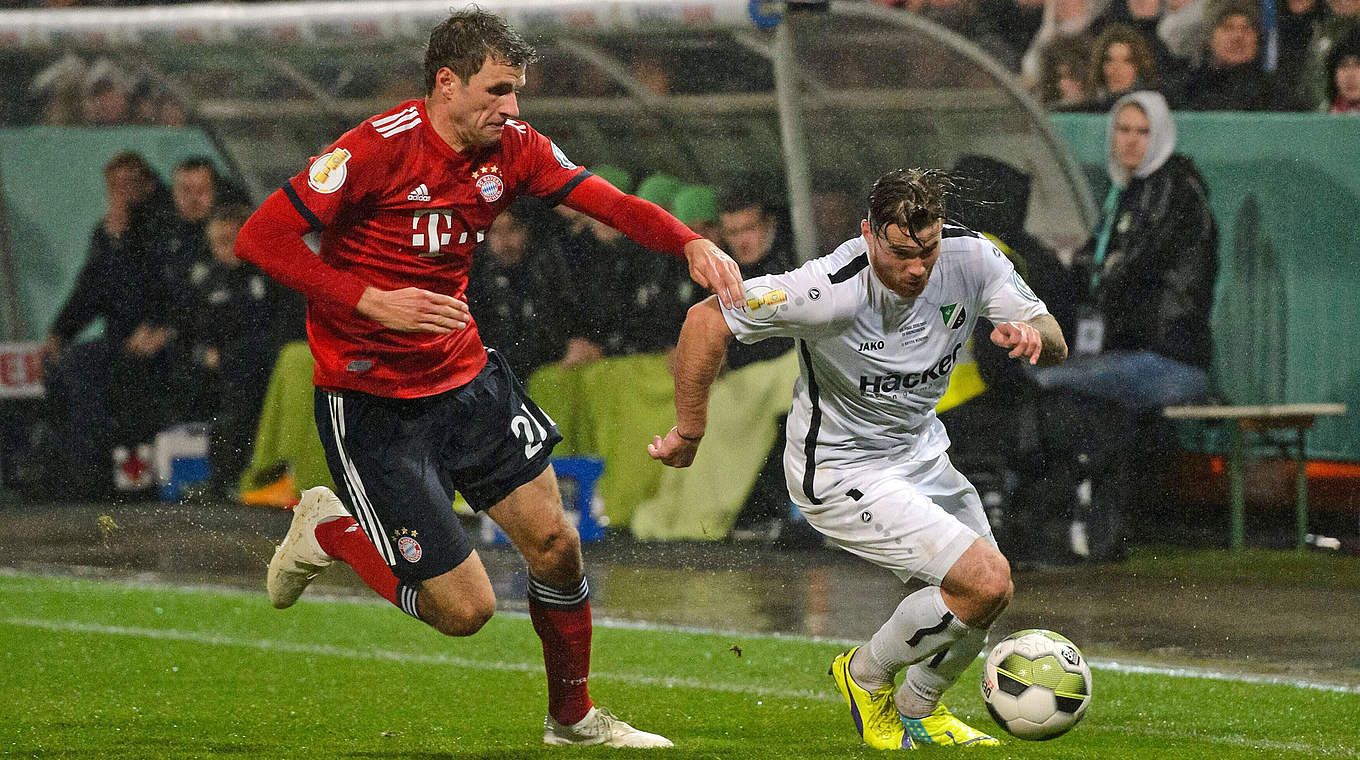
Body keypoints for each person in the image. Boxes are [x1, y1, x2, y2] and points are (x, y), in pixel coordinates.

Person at [234, 9, 741, 749]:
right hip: (371, 402)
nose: (512, 108)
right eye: (498, 90)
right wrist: (369, 299)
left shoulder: (516, 148)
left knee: (558, 548)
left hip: (467, 382)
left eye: (518, 92)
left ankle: (572, 719)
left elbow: (608, 200)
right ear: (446, 82)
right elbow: (261, 236)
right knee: (464, 611)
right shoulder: (373, 150)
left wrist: (688, 241)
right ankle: (330, 530)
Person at [649, 168, 1067, 749]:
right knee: (983, 580)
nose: (917, 269)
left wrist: (1035, 338)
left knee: (989, 596)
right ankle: (865, 674)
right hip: (839, 470)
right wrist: (690, 431)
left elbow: (1054, 336)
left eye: (928, 250)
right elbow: (704, 321)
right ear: (869, 234)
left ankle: (919, 707)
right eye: (900, 254)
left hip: (920, 455)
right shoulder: (829, 290)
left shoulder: (972, 258)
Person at [1029, 91, 1217, 562]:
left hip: (1168, 358)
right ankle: (1083, 522)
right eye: (1123, 130)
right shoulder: (1126, 193)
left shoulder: (1172, 190)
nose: (1131, 142)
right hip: (1131, 355)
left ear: (1161, 137)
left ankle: (1070, 521)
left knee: (1043, 378)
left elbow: (1129, 277)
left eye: (1142, 132)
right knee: (1064, 382)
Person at [179, 204, 304, 496]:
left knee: (243, 377)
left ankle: (238, 476)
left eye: (231, 239)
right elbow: (185, 334)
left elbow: (287, 327)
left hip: (262, 365)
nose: (225, 247)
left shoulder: (272, 273)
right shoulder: (203, 280)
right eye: (219, 241)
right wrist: (204, 354)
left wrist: (237, 355)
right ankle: (223, 477)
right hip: (216, 370)